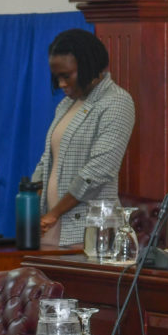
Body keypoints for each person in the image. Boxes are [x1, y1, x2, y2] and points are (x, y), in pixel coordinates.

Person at [32, 28, 135, 247]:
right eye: (57, 77)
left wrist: (55, 213)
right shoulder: (65, 104)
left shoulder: (116, 102)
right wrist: (34, 202)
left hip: (88, 230)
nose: (61, 84)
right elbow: (47, 159)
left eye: (66, 76)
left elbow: (98, 171)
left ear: (89, 66)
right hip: (50, 226)